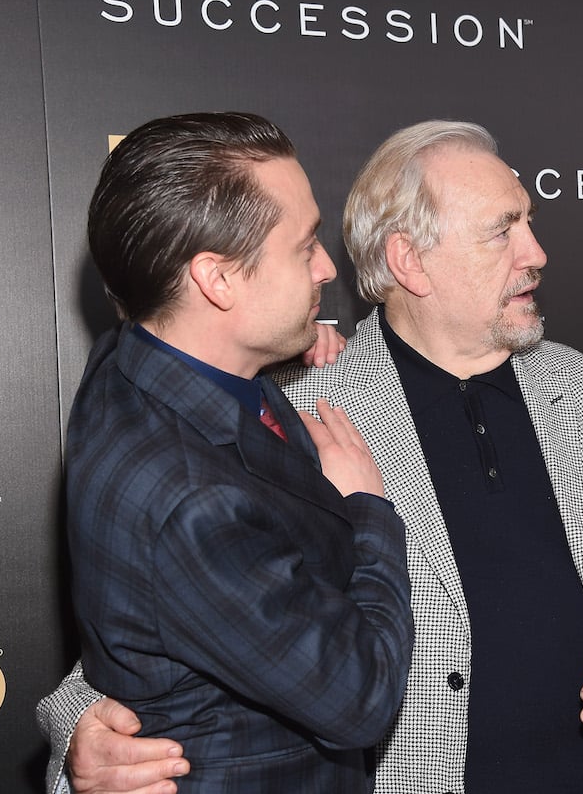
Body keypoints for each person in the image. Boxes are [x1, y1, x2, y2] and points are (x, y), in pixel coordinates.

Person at [39, 120, 583, 794]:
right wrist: (82, 730)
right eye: (501, 230)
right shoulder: (298, 408)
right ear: (409, 261)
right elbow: (170, 609)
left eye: (529, 223)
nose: (536, 252)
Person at [43, 112, 413, 793]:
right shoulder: (191, 499)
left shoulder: (130, 358)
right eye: (304, 248)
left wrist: (279, 351)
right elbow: (361, 696)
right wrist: (369, 507)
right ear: (217, 280)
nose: (329, 267)